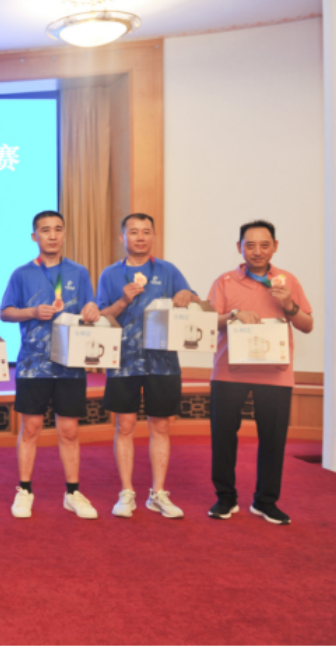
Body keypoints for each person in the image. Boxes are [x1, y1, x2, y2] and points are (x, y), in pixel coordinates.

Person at [207, 220, 312, 525]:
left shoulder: (287, 281)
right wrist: (234, 315)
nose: (257, 251)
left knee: (273, 439)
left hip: (276, 373)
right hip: (229, 371)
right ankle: (225, 498)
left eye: (264, 245)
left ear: (275, 247)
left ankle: (265, 501)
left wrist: (289, 304)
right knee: (223, 437)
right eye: (250, 245)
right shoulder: (225, 281)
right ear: (239, 247)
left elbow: (307, 325)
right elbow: (208, 323)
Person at [0, 210, 102, 520]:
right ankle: (24, 490)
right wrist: (31, 312)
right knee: (30, 428)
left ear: (64, 233)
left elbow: (90, 307)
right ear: (35, 236)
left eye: (58, 229)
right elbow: (5, 312)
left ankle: (72, 492)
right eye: (45, 230)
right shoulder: (21, 273)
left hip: (71, 365)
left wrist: (92, 309)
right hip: (33, 365)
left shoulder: (79, 272)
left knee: (69, 430)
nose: (53, 235)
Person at [97, 213, 198, 519]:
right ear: (122, 237)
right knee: (125, 426)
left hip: (163, 362)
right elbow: (101, 317)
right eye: (133, 232)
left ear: (153, 236)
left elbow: (192, 301)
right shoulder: (110, 274)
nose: (140, 237)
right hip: (123, 361)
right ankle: (126, 492)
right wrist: (123, 301)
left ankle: (158, 493)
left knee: (161, 426)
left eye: (146, 232)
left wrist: (188, 294)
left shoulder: (168, 270)